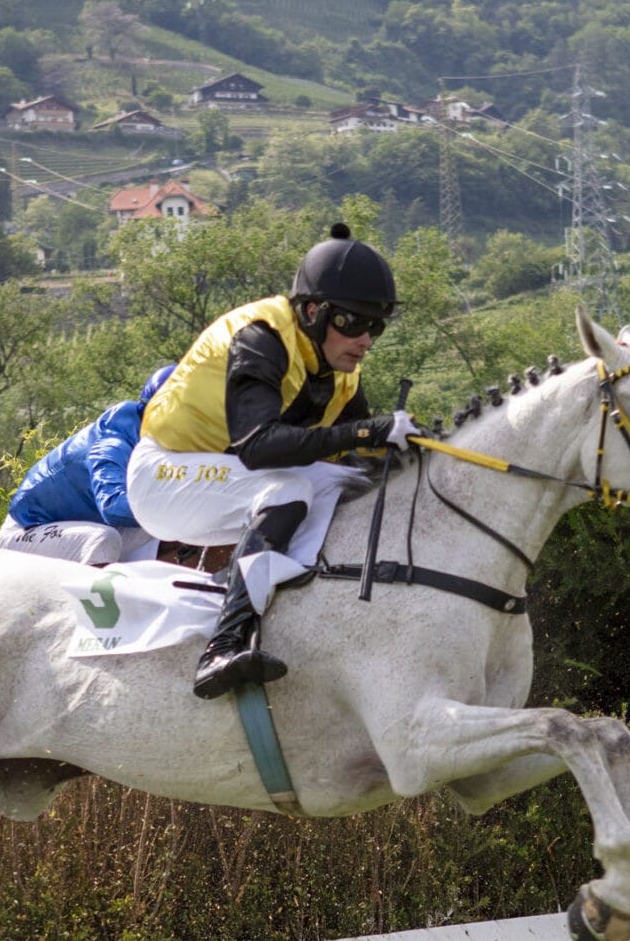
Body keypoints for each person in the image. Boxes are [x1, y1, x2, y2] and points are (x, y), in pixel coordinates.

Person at [126, 222, 421, 699]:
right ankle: (222, 647)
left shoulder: (339, 368)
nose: (366, 340)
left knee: (348, 481)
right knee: (289, 490)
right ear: (312, 312)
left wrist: (413, 445)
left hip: (222, 474)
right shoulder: (260, 338)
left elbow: (360, 452)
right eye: (354, 323)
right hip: (165, 475)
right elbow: (259, 446)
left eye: (376, 327)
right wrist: (370, 429)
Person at [0, 363, 176, 565]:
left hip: (85, 524)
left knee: (173, 530)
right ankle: (93, 597)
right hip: (27, 531)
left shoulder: (163, 437)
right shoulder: (113, 442)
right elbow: (113, 506)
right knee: (103, 539)